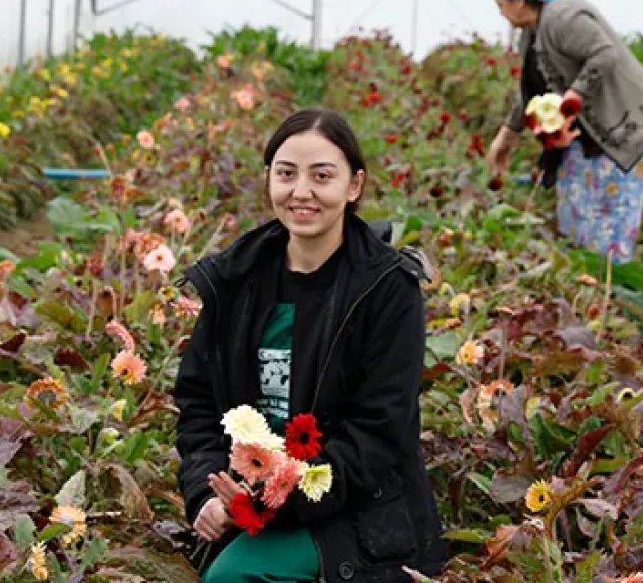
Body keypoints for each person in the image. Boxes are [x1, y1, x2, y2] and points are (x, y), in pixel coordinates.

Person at [173, 108, 447, 582]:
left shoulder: (386, 290)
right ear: (269, 181)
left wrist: (263, 503)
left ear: (354, 186)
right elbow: (198, 404)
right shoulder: (236, 280)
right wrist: (206, 493)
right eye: (286, 174)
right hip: (250, 496)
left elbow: (375, 434)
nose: (302, 192)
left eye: (322, 176)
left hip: (354, 506)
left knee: (232, 577)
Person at [484, 0, 643, 262]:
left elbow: (604, 53)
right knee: (577, 213)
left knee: (610, 218)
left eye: (501, 4)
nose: (500, 12)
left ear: (519, 0)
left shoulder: (563, 18)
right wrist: (507, 133)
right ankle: (586, 285)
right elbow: (532, 90)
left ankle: (611, 290)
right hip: (587, 133)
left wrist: (573, 96)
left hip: (621, 129)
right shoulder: (532, 30)